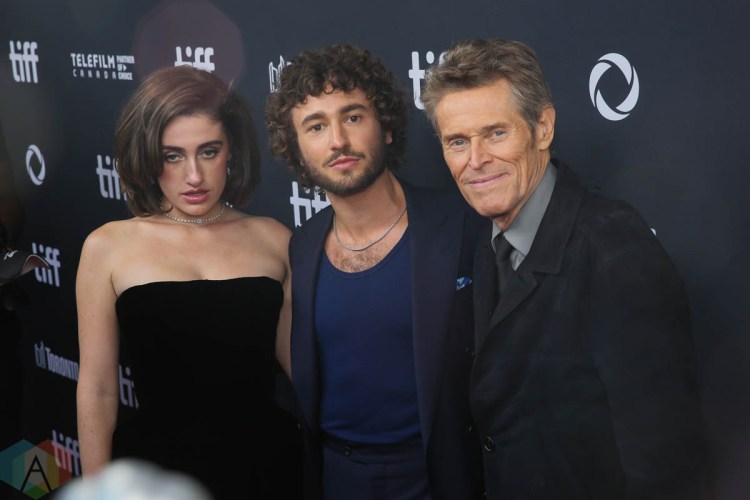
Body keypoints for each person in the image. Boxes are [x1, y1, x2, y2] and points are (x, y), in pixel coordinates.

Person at [421, 38, 708, 499]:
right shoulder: (487, 235)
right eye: (458, 141)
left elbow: (666, 463)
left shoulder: (616, 255)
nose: (476, 161)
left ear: (543, 127)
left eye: (496, 134)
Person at [265, 43, 483, 500]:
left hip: (441, 477)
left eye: (353, 116)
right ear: (298, 150)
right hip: (338, 477)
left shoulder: (462, 224)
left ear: (385, 126)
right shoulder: (302, 246)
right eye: (316, 126)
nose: (338, 141)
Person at [75, 65, 302, 499]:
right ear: (147, 157)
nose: (194, 176)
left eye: (209, 152)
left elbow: (305, 377)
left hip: (267, 469)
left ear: (231, 150)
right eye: (172, 156)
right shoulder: (107, 247)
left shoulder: (275, 239)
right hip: (156, 477)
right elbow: (99, 391)